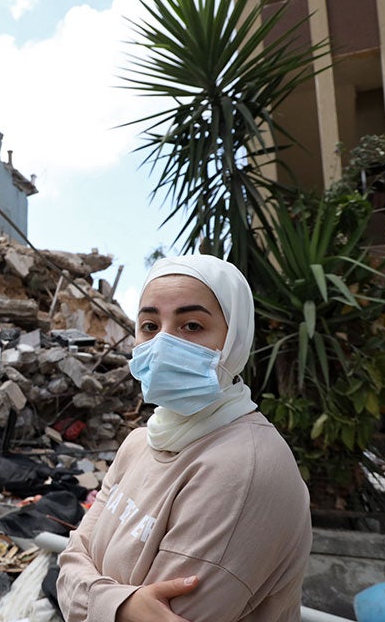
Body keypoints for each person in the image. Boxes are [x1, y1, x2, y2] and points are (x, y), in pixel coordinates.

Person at [56, 255, 311, 622]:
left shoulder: (244, 468)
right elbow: (72, 556)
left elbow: (166, 612)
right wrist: (122, 606)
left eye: (191, 325)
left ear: (235, 339)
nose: (162, 344)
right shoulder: (139, 444)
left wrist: (90, 595)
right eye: (148, 325)